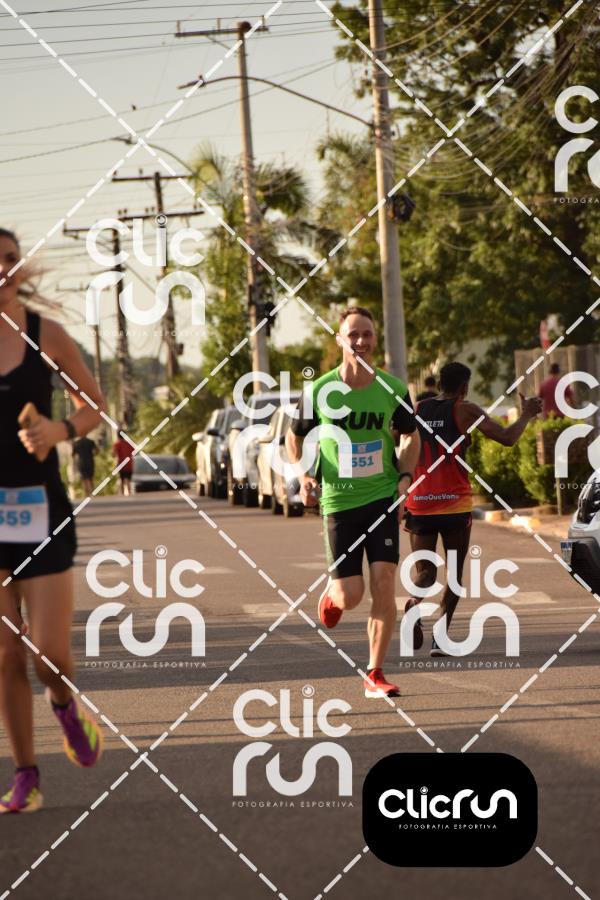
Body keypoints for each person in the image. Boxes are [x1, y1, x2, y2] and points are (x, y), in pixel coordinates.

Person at [0, 228, 104, 814]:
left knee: (48, 657)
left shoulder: (47, 334)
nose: (3, 269)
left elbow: (94, 406)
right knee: (5, 655)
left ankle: (64, 706)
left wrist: (57, 430)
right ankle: (26, 775)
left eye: (10, 259)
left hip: (41, 511)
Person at [286, 306, 420, 698]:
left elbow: (410, 436)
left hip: (381, 497)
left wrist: (405, 477)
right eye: (353, 335)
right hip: (339, 501)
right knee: (351, 595)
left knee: (384, 581)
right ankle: (334, 595)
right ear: (340, 340)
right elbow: (294, 437)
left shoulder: (393, 388)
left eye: (367, 334)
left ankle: (374, 673)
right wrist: (303, 475)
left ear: (375, 339)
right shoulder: (320, 390)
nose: (361, 341)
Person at [403, 361, 542, 657]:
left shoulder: (417, 409)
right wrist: (527, 414)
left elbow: (397, 445)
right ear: (464, 386)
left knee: (425, 572)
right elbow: (507, 438)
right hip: (454, 505)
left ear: (440, 383)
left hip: (420, 503)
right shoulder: (465, 410)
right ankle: (440, 638)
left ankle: (414, 603)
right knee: (454, 573)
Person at [112, 427, 133, 495]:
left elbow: (113, 454)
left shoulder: (116, 444)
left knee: (122, 480)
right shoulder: (129, 444)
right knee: (128, 480)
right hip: (129, 463)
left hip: (121, 463)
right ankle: (129, 493)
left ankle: (123, 495)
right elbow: (133, 452)